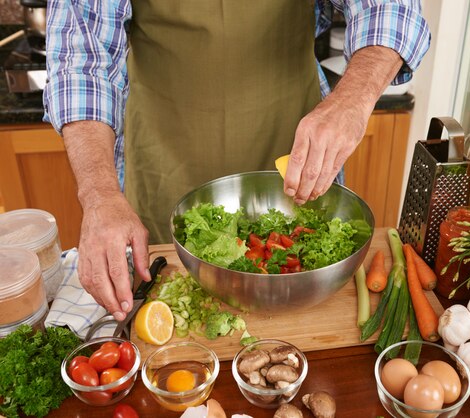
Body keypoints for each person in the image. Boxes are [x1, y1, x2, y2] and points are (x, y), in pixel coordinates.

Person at [44, 0, 431, 321]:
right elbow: (81, 61)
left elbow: (390, 8)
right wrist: (98, 195)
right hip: (164, 145)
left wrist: (351, 102)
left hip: (289, 122)